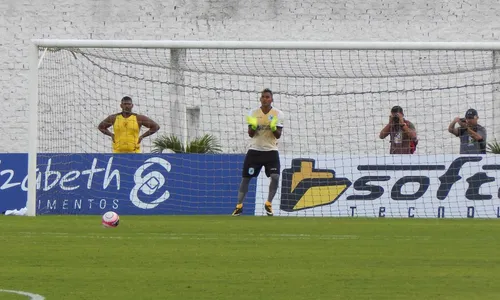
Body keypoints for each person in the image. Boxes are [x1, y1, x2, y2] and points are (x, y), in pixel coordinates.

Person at [232, 88, 284, 216]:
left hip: (271, 151)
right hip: (255, 151)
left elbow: (278, 136)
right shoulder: (253, 113)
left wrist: (273, 127)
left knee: (275, 177)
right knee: (246, 178)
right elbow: (250, 134)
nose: (265, 99)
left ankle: (268, 203)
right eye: (263, 97)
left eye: (268, 97)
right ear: (260, 99)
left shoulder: (278, 114)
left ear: (272, 99)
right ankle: (239, 206)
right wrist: (253, 127)